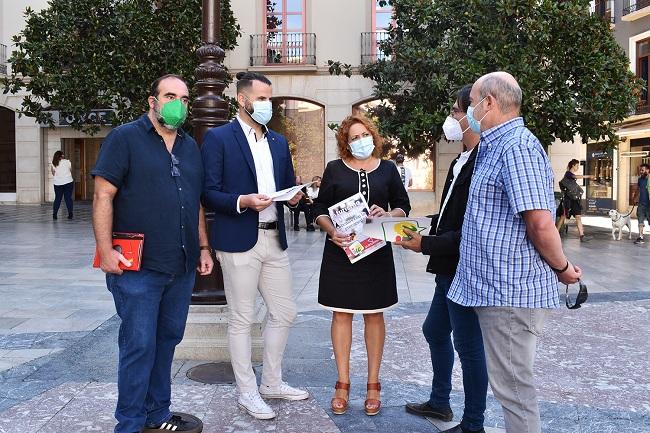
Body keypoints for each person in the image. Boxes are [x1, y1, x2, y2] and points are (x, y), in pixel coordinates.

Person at [447, 72, 582, 433]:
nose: (468, 110)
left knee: (515, 391)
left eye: (473, 101)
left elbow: (540, 223)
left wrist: (564, 268)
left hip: (509, 293)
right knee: (509, 387)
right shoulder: (495, 144)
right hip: (490, 287)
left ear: (489, 103)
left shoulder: (517, 147)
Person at [91, 74, 214, 433]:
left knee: (167, 340)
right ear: (152, 101)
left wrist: (203, 247)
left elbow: (194, 204)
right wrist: (104, 250)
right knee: (138, 345)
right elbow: (103, 196)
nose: (178, 103)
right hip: (136, 268)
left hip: (181, 265)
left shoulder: (190, 146)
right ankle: (128, 424)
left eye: (184, 98)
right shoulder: (124, 138)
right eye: (170, 95)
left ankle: (157, 414)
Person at [201, 71, 308, 421]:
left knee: (284, 312)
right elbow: (209, 192)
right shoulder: (218, 138)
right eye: (261, 99)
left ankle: (272, 382)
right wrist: (243, 201)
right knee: (242, 318)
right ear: (243, 100)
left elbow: (286, 185)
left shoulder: (278, 141)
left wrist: (295, 198)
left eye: (270, 99)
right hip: (238, 239)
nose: (267, 105)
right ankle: (247, 391)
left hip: (273, 236)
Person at [398, 85, 488, 433]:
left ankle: (473, 423)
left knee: (467, 344)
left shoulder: (482, 163)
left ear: (473, 115)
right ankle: (440, 402)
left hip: (464, 269)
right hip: (447, 269)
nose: (450, 118)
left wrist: (425, 244)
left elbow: (469, 231)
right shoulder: (460, 160)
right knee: (434, 330)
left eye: (455, 111)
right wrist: (409, 226)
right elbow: (449, 215)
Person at [313, 114, 410, 417]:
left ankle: (373, 385)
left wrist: (389, 214)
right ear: (345, 142)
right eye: (353, 137)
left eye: (364, 134)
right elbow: (319, 209)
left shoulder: (389, 169)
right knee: (341, 315)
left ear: (373, 135)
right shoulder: (334, 169)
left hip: (376, 252)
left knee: (373, 316)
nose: (360, 141)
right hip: (340, 252)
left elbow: (403, 204)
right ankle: (342, 383)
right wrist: (332, 231)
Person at [555, 159, 593, 242]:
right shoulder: (568, 173)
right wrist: (588, 176)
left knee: (578, 217)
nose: (577, 167)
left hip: (574, 200)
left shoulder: (570, 175)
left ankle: (582, 236)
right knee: (563, 217)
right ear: (573, 166)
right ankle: (555, 235)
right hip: (567, 200)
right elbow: (576, 177)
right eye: (577, 166)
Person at [50, 150, 74, 220]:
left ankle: (55, 214)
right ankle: (70, 214)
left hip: (58, 183)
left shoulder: (53, 163)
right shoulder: (67, 161)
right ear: (62, 156)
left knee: (58, 198)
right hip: (68, 182)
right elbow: (70, 170)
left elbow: (53, 173)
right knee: (68, 198)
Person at [633, 163, 650, 244]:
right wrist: (635, 197)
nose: (641, 171)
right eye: (640, 170)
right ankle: (640, 237)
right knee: (640, 220)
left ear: (648, 170)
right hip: (641, 204)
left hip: (649, 204)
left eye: (642, 170)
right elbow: (638, 189)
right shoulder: (640, 179)